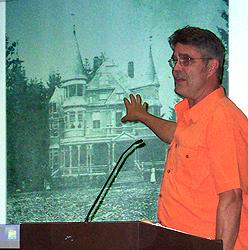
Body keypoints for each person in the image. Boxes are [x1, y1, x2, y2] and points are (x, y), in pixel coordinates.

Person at [121, 26, 248, 250]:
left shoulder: (222, 117)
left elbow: (232, 199)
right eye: (175, 61)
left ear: (211, 66)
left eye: (186, 60)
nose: (176, 69)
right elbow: (175, 134)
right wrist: (142, 115)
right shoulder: (195, 119)